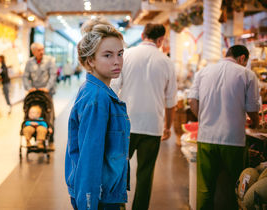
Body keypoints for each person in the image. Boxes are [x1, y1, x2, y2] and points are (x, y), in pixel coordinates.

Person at [65, 18, 130, 210]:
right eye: (108, 55)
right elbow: (89, 158)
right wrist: (88, 203)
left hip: (105, 192)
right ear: (90, 60)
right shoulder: (97, 98)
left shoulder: (96, 91)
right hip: (100, 198)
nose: (117, 61)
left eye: (120, 54)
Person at [111, 23, 177, 210]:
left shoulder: (127, 55)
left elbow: (114, 89)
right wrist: (167, 126)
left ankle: (117, 205)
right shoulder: (166, 62)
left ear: (142, 35)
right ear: (160, 40)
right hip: (153, 126)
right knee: (145, 174)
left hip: (126, 124)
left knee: (119, 169)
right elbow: (171, 100)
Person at [188, 45, 260, 210]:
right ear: (242, 58)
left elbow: (192, 101)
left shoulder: (203, 72)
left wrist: (204, 118)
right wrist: (255, 123)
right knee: (235, 186)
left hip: (206, 138)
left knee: (204, 188)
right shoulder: (247, 75)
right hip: (233, 140)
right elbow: (252, 108)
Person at [23, 42, 57, 149]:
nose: (42, 52)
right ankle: (35, 137)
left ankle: (51, 141)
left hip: (47, 93)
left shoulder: (50, 60)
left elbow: (53, 76)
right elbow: (25, 76)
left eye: (42, 49)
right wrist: (29, 88)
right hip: (34, 92)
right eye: (39, 50)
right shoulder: (29, 62)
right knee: (33, 114)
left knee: (50, 116)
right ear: (33, 52)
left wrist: (47, 88)